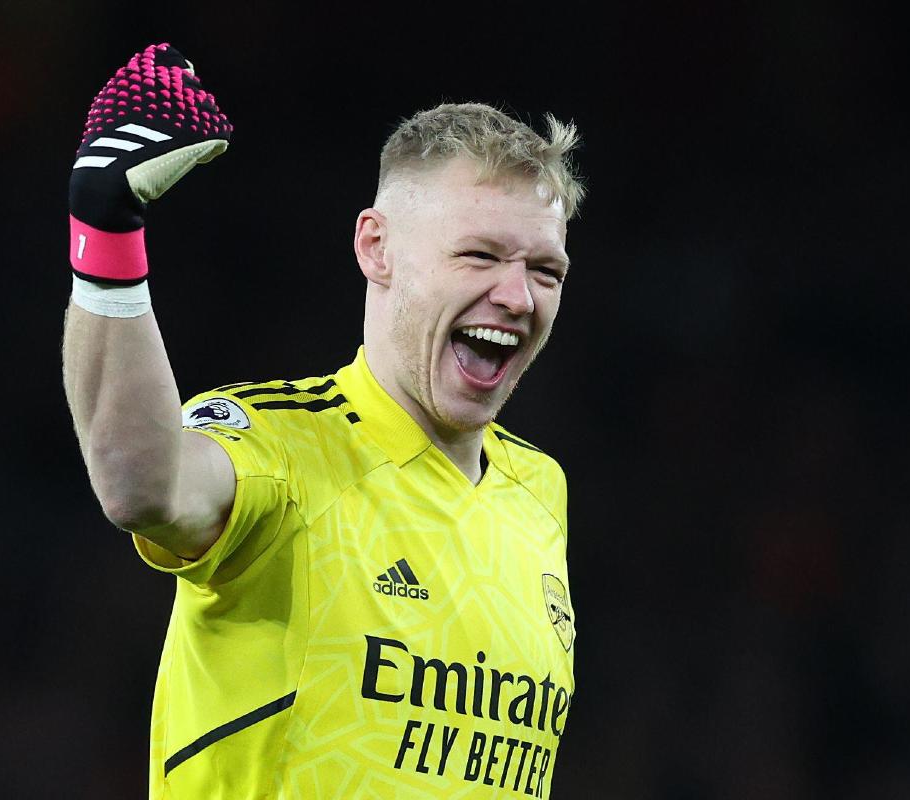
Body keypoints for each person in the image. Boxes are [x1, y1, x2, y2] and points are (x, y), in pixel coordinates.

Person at [62, 43, 585, 799]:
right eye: (479, 256)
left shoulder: (540, 492)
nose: (518, 296)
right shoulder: (283, 446)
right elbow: (144, 484)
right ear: (378, 249)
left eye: (546, 271)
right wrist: (105, 235)